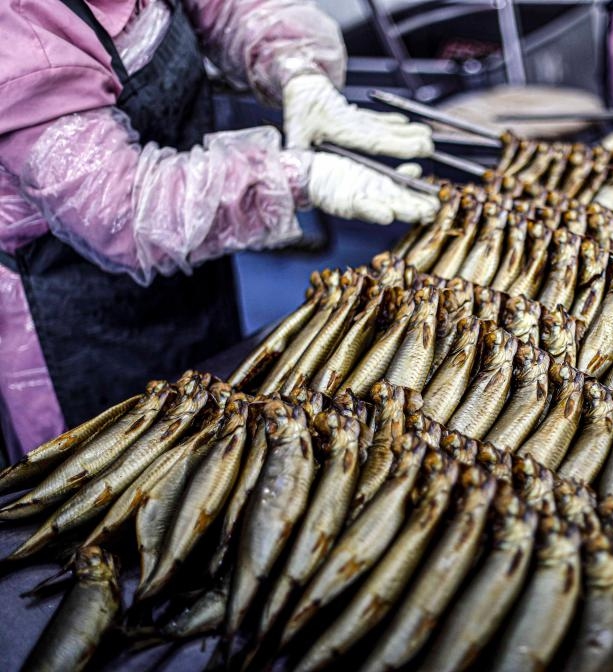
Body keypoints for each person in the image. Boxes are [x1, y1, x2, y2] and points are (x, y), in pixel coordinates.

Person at [0, 0, 440, 461]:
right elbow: (127, 209)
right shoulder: (19, 31)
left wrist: (295, 67)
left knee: (214, 445)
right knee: (119, 483)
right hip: (76, 324)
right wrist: (296, 179)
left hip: (193, 275)